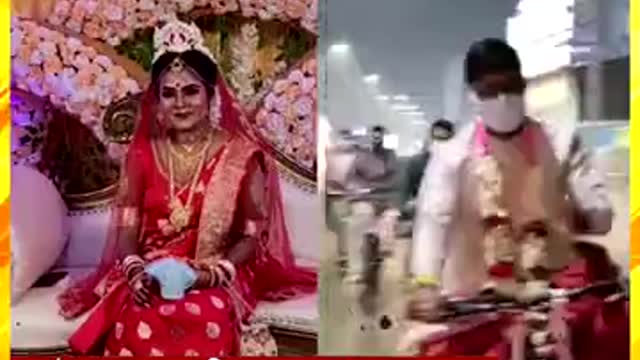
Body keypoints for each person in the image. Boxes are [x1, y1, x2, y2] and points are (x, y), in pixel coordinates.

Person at [57, 19, 316, 357]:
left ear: (211, 95)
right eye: (169, 92)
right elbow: (126, 229)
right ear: (158, 100)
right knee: (139, 315)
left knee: (202, 314)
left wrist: (210, 275)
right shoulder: (143, 154)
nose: (180, 103)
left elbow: (253, 236)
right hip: (149, 272)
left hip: (214, 271)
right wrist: (135, 272)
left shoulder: (241, 155)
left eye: (191, 90)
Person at [407, 38, 626, 359]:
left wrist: (583, 212)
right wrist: (426, 284)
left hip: (552, 293)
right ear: (473, 95)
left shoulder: (560, 141)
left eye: (509, 86)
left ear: (523, 85)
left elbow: (599, 212)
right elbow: (432, 220)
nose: (502, 98)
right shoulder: (452, 155)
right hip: (478, 300)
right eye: (489, 90)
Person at [399, 119, 455, 219]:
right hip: (422, 205)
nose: (438, 144)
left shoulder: (457, 164)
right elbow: (405, 191)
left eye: (443, 140)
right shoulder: (417, 162)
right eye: (436, 139)